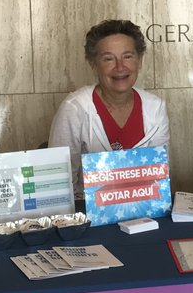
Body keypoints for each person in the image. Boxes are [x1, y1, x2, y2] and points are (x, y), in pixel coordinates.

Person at [49, 20, 170, 190]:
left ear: (140, 61)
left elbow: (159, 176)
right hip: (88, 205)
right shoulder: (74, 109)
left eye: (127, 56)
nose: (120, 67)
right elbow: (59, 183)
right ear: (94, 65)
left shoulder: (155, 107)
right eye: (108, 59)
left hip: (145, 204)